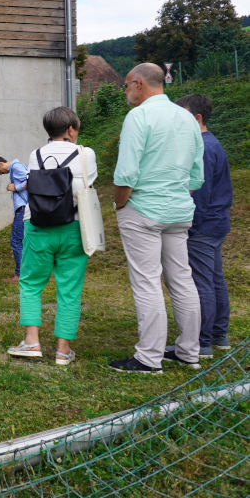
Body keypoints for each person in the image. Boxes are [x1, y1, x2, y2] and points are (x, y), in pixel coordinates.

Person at [109, 63, 204, 374]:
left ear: (138, 84)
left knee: (147, 282)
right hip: (179, 210)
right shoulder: (188, 118)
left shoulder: (139, 116)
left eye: (125, 86)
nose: (125, 92)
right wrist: (177, 196)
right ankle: (189, 351)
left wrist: (119, 204)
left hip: (143, 209)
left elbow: (127, 172)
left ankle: (149, 357)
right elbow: (196, 176)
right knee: (182, 280)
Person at [5, 108, 96, 365]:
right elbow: (89, 184)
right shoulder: (87, 154)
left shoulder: (35, 155)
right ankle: (62, 350)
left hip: (38, 226)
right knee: (69, 289)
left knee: (31, 283)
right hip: (74, 228)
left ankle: (32, 341)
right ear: (70, 130)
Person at [175, 94, 233, 359]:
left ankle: (202, 341)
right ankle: (219, 334)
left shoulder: (204, 148)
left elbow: (200, 193)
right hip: (216, 222)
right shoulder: (211, 144)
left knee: (201, 283)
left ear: (197, 119)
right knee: (214, 279)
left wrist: (191, 226)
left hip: (204, 225)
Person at [0, 155, 28, 283]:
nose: (0, 174)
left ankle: (19, 275)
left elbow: (32, 180)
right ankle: (25, 272)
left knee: (16, 241)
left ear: (1, 164)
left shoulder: (16, 167)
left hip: (23, 209)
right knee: (23, 242)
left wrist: (15, 187)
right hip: (23, 209)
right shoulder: (16, 168)